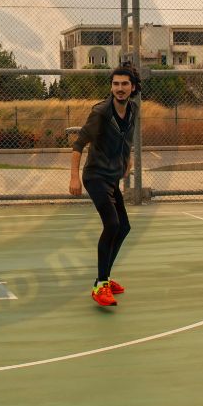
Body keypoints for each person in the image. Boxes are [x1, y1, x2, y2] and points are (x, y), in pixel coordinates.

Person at [68, 64, 140, 307]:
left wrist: (128, 159)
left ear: (133, 87)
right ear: (111, 87)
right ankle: (100, 285)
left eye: (124, 84)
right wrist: (74, 178)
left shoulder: (133, 109)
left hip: (111, 177)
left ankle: (105, 279)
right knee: (112, 224)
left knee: (124, 227)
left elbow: (127, 137)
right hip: (95, 176)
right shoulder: (101, 113)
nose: (119, 88)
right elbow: (78, 145)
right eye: (115, 84)